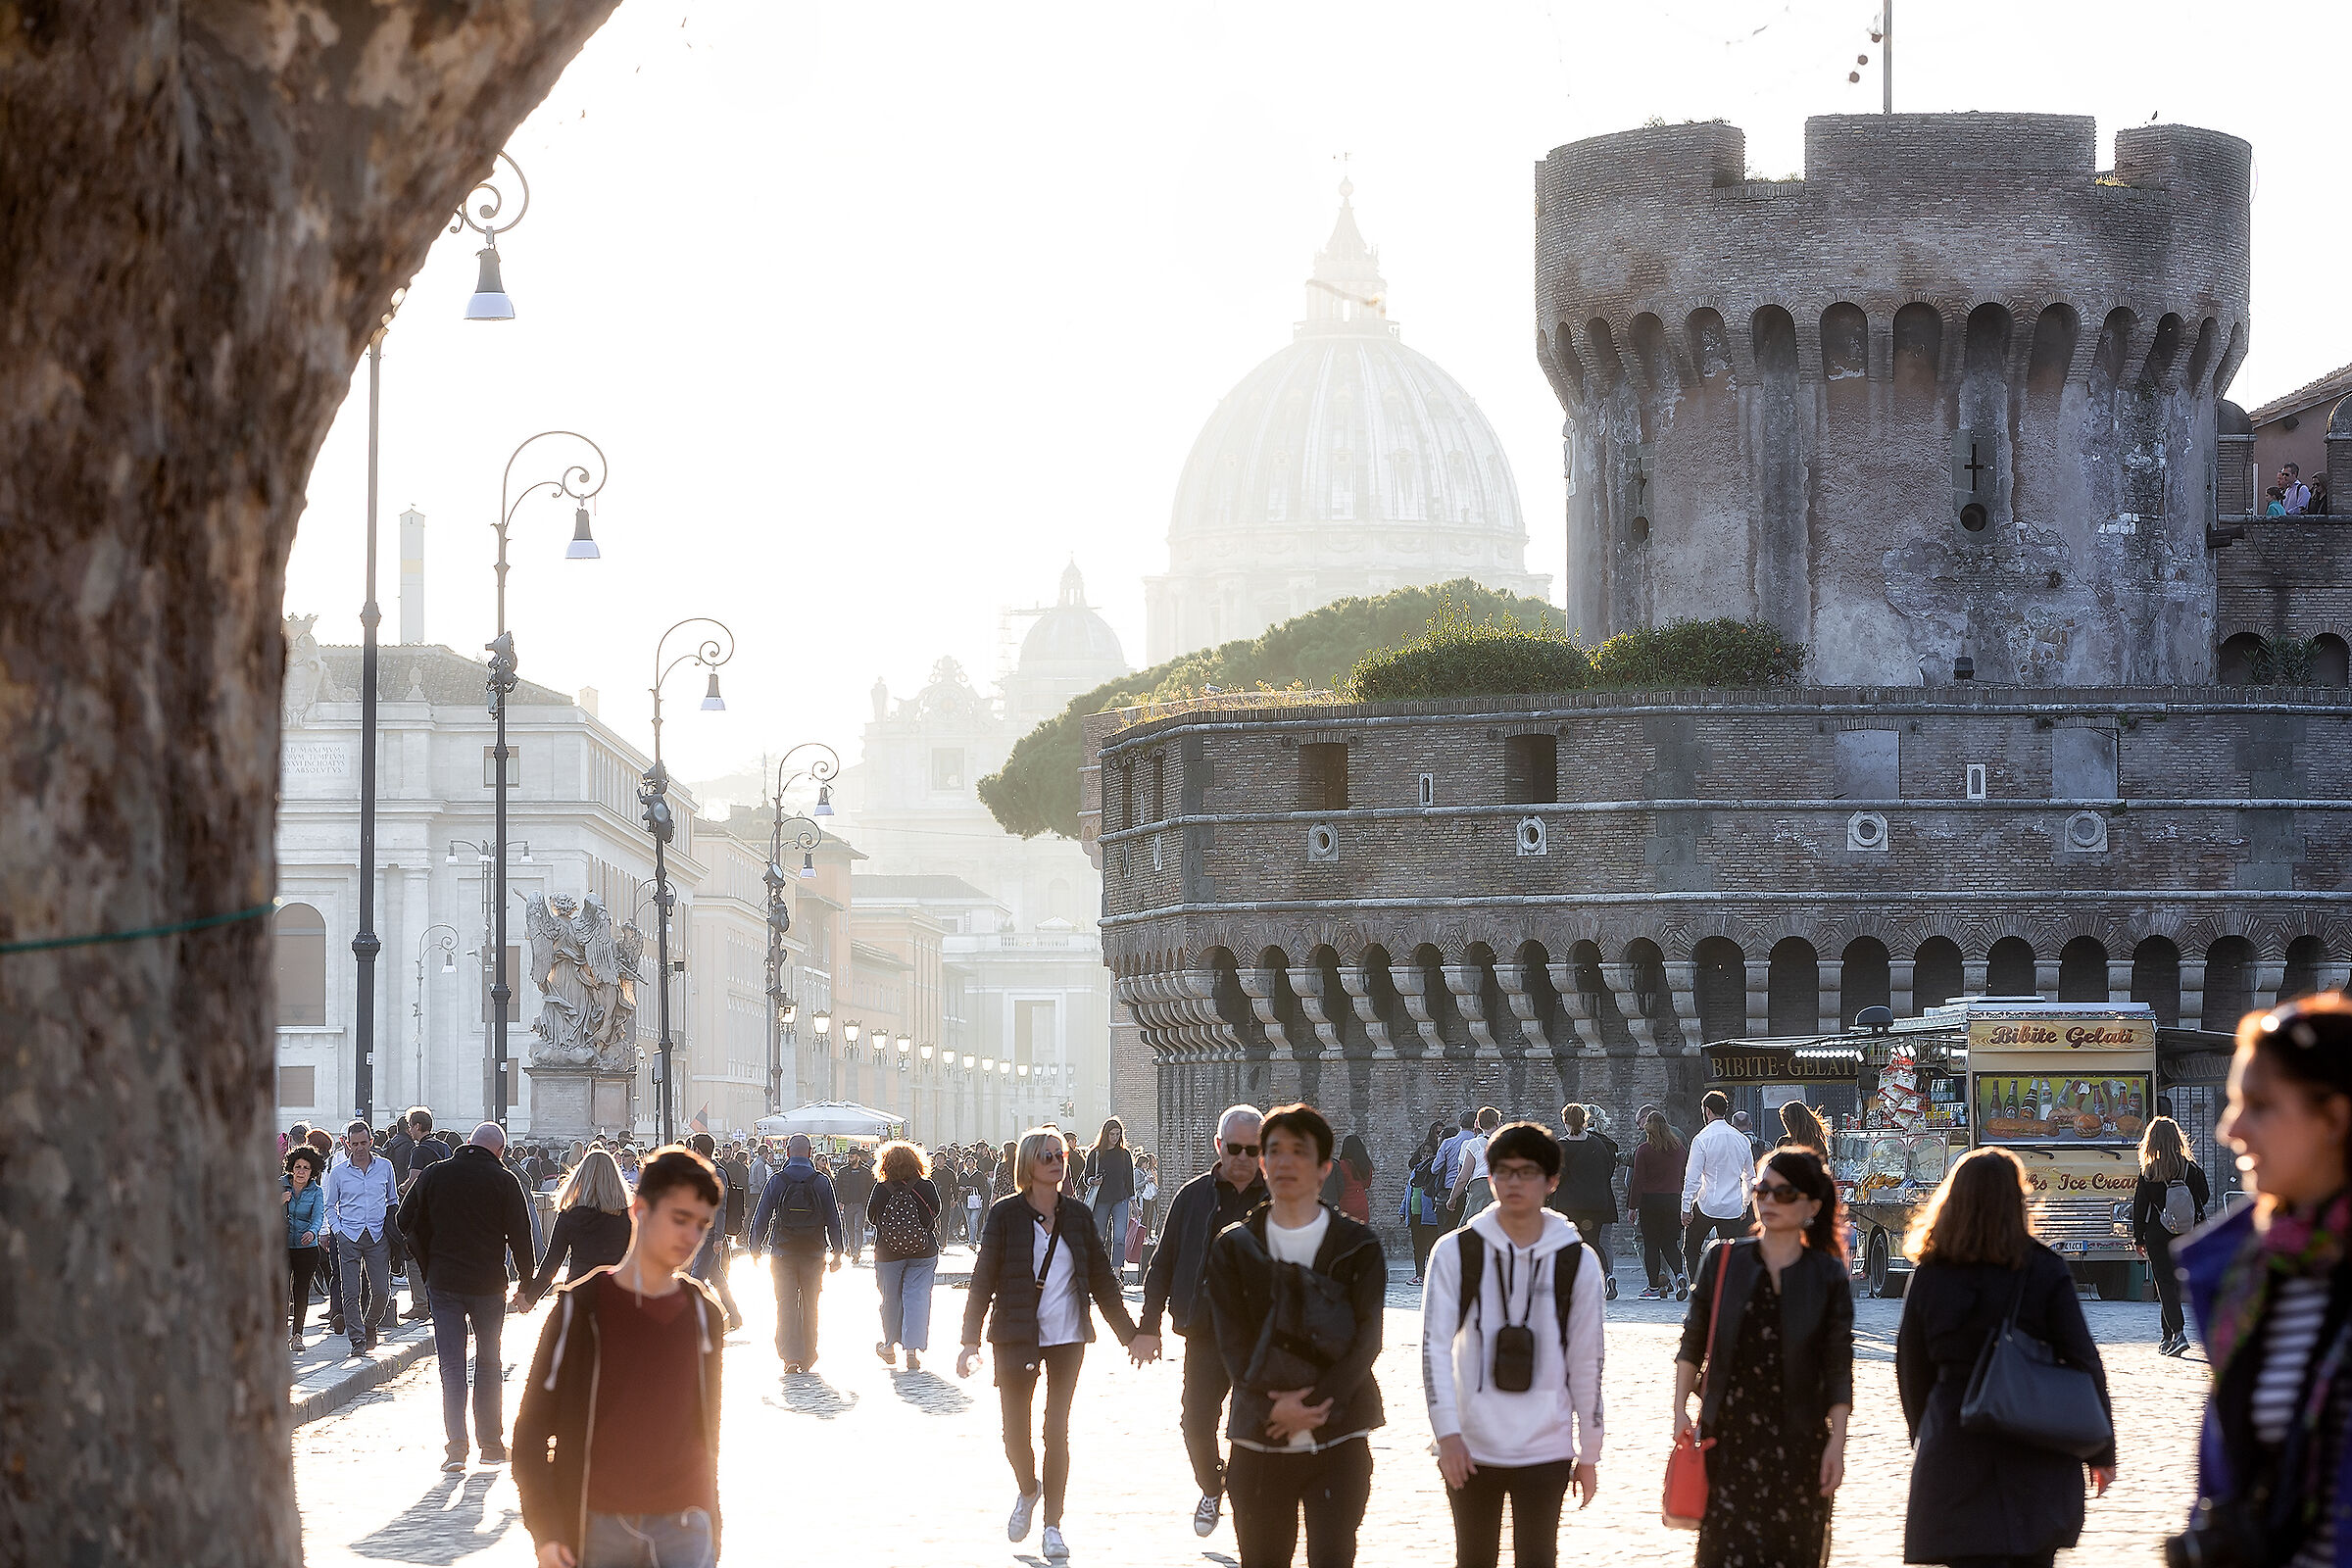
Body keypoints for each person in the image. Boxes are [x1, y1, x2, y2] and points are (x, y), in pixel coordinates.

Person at [2176, 995, 2352, 1568]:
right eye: (2232, 1104)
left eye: (2260, 1105)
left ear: (2335, 1118)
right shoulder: (2248, 1279)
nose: (2231, 1130)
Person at [1896, 1146, 2113, 1567]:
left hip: (1956, 1445)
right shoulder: (2044, 1269)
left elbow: (1911, 1368)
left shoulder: (1931, 1274)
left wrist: (1926, 1431)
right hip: (2036, 1443)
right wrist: (2100, 1452)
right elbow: (2084, 1361)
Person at [513, 1145, 726, 1568]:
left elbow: (707, 1429)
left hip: (686, 1527)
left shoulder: (705, 1313)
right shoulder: (581, 1308)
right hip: (597, 1525)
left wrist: (711, 1521)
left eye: (701, 1225)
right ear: (640, 1210)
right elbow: (532, 1431)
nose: (689, 1237)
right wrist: (548, 1531)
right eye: (679, 1218)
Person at [1204, 1103, 1388, 1568]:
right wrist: (1272, 1407)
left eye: (1299, 1152)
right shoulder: (1233, 1247)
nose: (1285, 1163)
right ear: (1263, 1163)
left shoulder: (1357, 1247)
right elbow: (1233, 1343)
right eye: (1275, 1152)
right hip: (1258, 1436)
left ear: (1325, 1168)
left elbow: (1366, 1341)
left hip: (1340, 1433)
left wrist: (1313, 1406)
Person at [1422, 1122, 1603, 1568]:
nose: (1514, 1183)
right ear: (1489, 1177)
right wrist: (1446, 1434)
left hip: (1548, 1443)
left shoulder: (1577, 1260)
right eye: (1503, 1171)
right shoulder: (1455, 1252)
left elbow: (1587, 1359)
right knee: (1473, 1556)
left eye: (1527, 1172)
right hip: (1471, 1442)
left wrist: (1590, 1451)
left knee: (1539, 1556)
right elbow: (1433, 1349)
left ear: (1552, 1181)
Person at [958, 1127, 1140, 1560]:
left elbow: (1101, 1278)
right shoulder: (1005, 1215)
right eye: (1046, 1156)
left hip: (1067, 1337)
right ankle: (1028, 1488)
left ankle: (1053, 1525)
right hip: (1016, 1334)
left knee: (1056, 1430)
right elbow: (983, 1278)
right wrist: (969, 1340)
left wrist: (1131, 1335)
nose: (1057, 1161)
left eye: (1060, 1155)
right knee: (1014, 1436)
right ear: (1028, 1165)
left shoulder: (1077, 1216)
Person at [1675, 1148, 1854, 1568]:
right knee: (1725, 1554)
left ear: (1811, 1204)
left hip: (1800, 1439)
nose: (1769, 1200)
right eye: (1762, 1190)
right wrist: (1680, 1408)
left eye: (1783, 1193)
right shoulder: (1723, 1259)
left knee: (1794, 1554)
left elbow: (1837, 1363)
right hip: (1729, 1437)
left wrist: (1837, 1443)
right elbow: (1693, 1339)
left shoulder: (1826, 1274)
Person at [1134, 1104, 1268, 1538]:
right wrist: (1148, 1325)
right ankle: (1212, 1485)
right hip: (1206, 1330)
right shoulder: (1193, 1196)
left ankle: (1252, 1514)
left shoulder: (1278, 1199)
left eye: (1254, 1149)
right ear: (1218, 1146)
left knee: (1253, 1432)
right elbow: (1164, 1262)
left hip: (1260, 1337)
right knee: (1195, 1422)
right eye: (1235, 1148)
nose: (1244, 1158)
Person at [397, 1121, 538, 1472]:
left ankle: (456, 1448)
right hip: (489, 1284)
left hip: (443, 1281)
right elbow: (522, 1236)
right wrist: (526, 1283)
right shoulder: (506, 1181)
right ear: (500, 1151)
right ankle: (490, 1445)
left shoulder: (434, 1173)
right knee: (489, 1363)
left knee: (452, 1366)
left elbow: (403, 1219)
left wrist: (428, 1250)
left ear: (469, 1144)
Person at [748, 1133, 844, 1373]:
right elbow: (834, 1219)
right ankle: (808, 1355)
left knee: (786, 1303)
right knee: (811, 1305)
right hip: (814, 1253)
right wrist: (838, 1251)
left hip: (783, 1252)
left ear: (788, 1153)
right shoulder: (821, 1181)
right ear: (810, 1153)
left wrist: (755, 1246)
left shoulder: (778, 1180)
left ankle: (790, 1357)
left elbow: (761, 1216)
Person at [2131, 1114, 2210, 1356]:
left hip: (2157, 1233)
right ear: (2177, 1139)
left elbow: (2139, 1206)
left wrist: (2139, 1238)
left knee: (2164, 1283)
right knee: (2173, 1284)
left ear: (2151, 1141)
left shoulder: (2149, 1172)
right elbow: (2204, 1197)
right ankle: (2168, 1337)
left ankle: (2178, 1333)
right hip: (2187, 1232)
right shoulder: (2191, 1169)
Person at [323, 1119, 400, 1356]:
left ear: (371, 1142)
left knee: (381, 1291)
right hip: (349, 1235)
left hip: (377, 1236)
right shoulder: (338, 1173)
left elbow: (392, 1200)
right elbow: (329, 1205)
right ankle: (356, 1339)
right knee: (351, 1292)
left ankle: (370, 1324)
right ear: (347, 1144)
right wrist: (338, 1231)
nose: (359, 1148)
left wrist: (391, 1229)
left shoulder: (385, 1167)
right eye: (354, 1143)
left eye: (363, 1143)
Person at [522, 1149, 634, 1308]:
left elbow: (552, 1262)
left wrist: (530, 1298)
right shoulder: (627, 1216)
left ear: (581, 1178)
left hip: (578, 1293)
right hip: (617, 1293)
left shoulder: (570, 1215)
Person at [869, 1138, 942, 1371]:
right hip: (923, 1251)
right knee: (917, 1298)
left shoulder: (881, 1188)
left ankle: (889, 1346)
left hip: (888, 1253)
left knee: (890, 1299)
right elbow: (937, 1210)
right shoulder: (925, 1185)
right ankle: (911, 1351)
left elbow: (872, 1216)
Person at [1681, 1092, 1753, 1287]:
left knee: (1691, 1248)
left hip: (1707, 1204)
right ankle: (1728, 1288)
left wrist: (1686, 1207)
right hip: (1732, 1207)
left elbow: (1693, 1177)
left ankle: (1698, 1286)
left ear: (1707, 1111)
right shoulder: (1742, 1140)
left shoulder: (1702, 1138)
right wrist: (1745, 1204)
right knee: (1731, 1253)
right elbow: (1749, 1177)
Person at [1552, 1104, 1621, 1303]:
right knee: (1593, 1242)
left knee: (1569, 1243)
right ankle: (1607, 1275)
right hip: (1596, 1203)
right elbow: (1606, 1170)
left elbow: (1557, 1176)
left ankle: (1573, 1284)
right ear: (1585, 1120)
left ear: (1565, 1121)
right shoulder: (1598, 1144)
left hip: (1569, 1204)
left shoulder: (1561, 1146)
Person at [683, 1133, 745, 1332]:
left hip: (709, 1235)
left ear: (699, 1150)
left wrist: (719, 1237)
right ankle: (734, 1316)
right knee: (716, 1277)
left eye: (693, 1148)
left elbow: (720, 1207)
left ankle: (703, 1320)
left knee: (696, 1278)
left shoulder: (717, 1173)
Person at [1628, 1111, 1690, 1299]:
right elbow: (1683, 1175)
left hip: (1650, 1201)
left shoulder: (1644, 1150)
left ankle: (1653, 1288)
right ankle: (1680, 1276)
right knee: (1670, 1243)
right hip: (1673, 1200)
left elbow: (1637, 1180)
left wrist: (1633, 1206)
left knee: (1651, 1244)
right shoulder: (1679, 1150)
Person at [284, 1145, 327, 1351]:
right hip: (281, 1245)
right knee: (281, 1291)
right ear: (291, 1167)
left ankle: (298, 1335)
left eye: (306, 1168)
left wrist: (312, 1232)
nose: (301, 1171)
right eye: (298, 1166)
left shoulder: (316, 1191)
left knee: (300, 1291)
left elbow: (318, 1216)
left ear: (313, 1171)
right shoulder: (280, 1186)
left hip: (306, 1247)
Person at [1402, 1123, 1452, 1285]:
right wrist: (1403, 1209)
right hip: (1415, 1211)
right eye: (1423, 1153)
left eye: (1429, 1153)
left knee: (1432, 1244)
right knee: (1418, 1246)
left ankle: (1433, 1274)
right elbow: (1408, 1191)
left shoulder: (1435, 1169)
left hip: (1429, 1213)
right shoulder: (1416, 1170)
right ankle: (1420, 1274)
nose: (1425, 1155)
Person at [1083, 1117, 1136, 1264]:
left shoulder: (1124, 1155)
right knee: (1100, 1237)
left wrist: (1134, 1205)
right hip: (1101, 1200)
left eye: (1118, 1134)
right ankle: (1100, 1271)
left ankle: (1117, 1273)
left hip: (1121, 1199)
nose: (1114, 1137)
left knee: (1119, 1238)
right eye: (1112, 1134)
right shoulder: (1096, 1154)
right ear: (1105, 1134)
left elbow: (1129, 1181)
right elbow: (1086, 1176)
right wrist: (1093, 1181)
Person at [1452, 1106, 1503, 1219]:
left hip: (1479, 1192)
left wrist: (1452, 1198)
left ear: (1479, 1124)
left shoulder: (1474, 1145)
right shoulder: (1507, 1144)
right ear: (1497, 1123)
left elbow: (1463, 1177)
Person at [834, 1148, 876, 1265]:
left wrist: (868, 1202)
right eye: (849, 1156)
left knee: (858, 1228)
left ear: (858, 1157)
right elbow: (838, 1187)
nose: (850, 1158)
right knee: (849, 1229)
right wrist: (839, 1201)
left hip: (860, 1204)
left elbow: (871, 1187)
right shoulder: (843, 1171)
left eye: (852, 1156)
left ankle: (856, 1252)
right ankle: (852, 1248)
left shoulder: (865, 1172)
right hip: (848, 1204)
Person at [1323, 1134, 1373, 1223]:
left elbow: (1338, 1186)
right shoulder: (1366, 1166)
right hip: (1361, 1203)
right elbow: (1367, 1185)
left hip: (1345, 1203)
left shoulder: (1341, 1165)